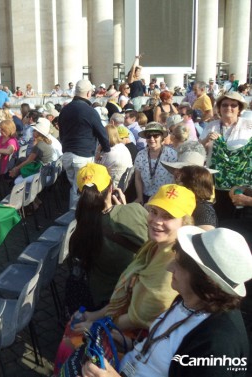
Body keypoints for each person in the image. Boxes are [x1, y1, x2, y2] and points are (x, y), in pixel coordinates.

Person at [55, 184, 196, 375]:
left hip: (141, 340)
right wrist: (94, 316)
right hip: (126, 325)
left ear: (185, 223)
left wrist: (97, 324)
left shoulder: (173, 265)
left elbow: (137, 318)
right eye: (154, 212)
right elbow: (129, 296)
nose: (156, 221)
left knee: (68, 345)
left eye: (168, 216)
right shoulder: (154, 246)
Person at [81, 226, 251, 377]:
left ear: (204, 281)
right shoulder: (189, 300)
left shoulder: (218, 347)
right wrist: (126, 342)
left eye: (178, 264)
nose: (169, 267)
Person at [65, 163, 148, 316]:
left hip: (106, 301)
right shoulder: (136, 210)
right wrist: (125, 207)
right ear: (111, 188)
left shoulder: (80, 234)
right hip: (141, 297)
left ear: (80, 194)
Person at [59, 79, 111, 209]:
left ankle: (76, 220)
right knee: (80, 192)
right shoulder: (89, 111)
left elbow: (61, 134)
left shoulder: (64, 110)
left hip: (67, 155)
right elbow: (102, 133)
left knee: (75, 189)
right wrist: (106, 149)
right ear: (88, 93)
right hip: (82, 156)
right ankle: (76, 222)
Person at [200, 92, 251, 220]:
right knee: (219, 217)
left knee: (238, 221)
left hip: (241, 185)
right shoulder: (211, 126)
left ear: (239, 109)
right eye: (225, 105)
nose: (229, 108)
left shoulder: (248, 125)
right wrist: (206, 140)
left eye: (233, 105)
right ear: (219, 108)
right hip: (215, 182)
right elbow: (199, 149)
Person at [134, 122, 177, 204]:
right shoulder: (141, 154)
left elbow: (176, 178)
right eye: (148, 136)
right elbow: (138, 178)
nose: (152, 139)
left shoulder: (171, 154)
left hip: (164, 198)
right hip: (146, 196)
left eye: (155, 136)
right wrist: (140, 198)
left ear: (161, 138)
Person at [9, 117, 53, 185]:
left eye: (34, 130)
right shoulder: (45, 142)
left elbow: (28, 161)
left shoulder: (39, 145)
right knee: (21, 160)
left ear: (39, 133)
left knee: (17, 181)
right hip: (47, 171)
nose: (32, 131)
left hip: (42, 173)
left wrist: (16, 169)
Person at [97, 124, 133, 188]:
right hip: (123, 183)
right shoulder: (123, 147)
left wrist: (98, 150)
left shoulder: (110, 152)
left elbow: (97, 169)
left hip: (112, 186)